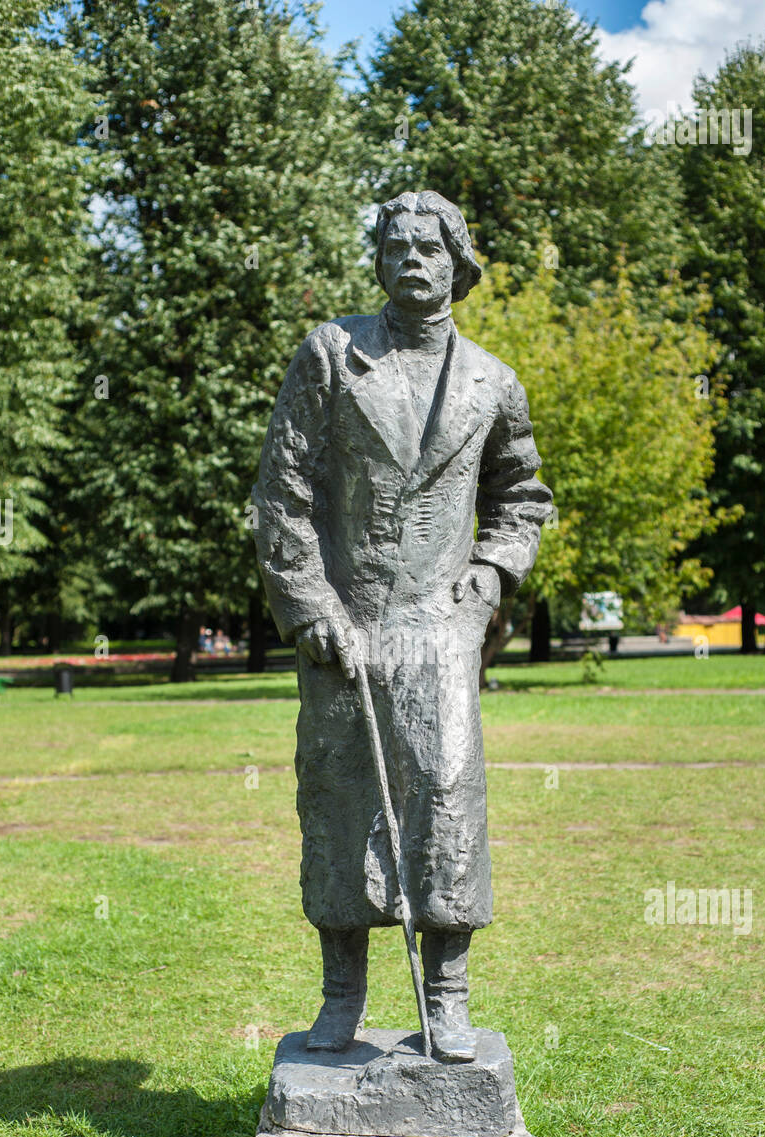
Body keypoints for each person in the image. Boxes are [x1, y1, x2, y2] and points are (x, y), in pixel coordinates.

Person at [252, 191, 551, 1062]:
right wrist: (312, 609)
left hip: (441, 627)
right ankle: (341, 996)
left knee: (447, 801)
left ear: (460, 264)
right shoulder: (332, 356)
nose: (412, 260)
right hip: (345, 627)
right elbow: (283, 498)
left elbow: (521, 496)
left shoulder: (493, 382)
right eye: (396, 246)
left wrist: (491, 577)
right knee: (341, 806)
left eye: (430, 247)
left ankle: (448, 996)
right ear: (378, 261)